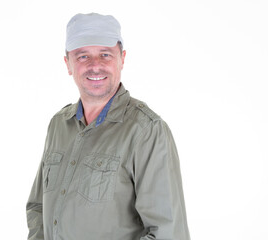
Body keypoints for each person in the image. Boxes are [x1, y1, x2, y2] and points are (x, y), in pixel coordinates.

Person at [26, 13, 190, 240]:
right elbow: (38, 206)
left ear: (122, 59)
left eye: (105, 54)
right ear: (68, 64)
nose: (95, 66)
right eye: (83, 56)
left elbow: (168, 234)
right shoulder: (58, 125)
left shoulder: (147, 131)